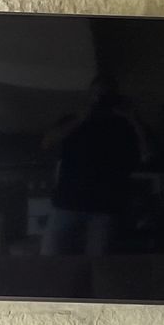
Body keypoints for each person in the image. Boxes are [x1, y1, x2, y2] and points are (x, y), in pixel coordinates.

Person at [42, 75, 146, 255]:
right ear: (89, 95)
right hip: (67, 202)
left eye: (106, 95)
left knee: (97, 265)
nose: (100, 99)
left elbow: (148, 152)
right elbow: (47, 142)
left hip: (104, 207)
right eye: (97, 94)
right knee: (51, 260)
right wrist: (80, 119)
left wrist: (134, 118)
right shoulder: (74, 120)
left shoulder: (124, 124)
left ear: (116, 97)